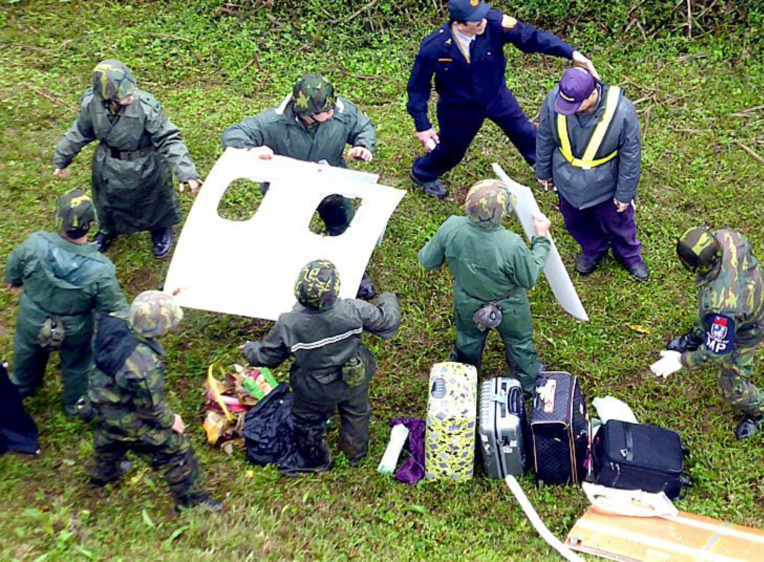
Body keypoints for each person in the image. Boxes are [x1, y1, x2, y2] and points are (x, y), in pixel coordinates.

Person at [406, 0, 598, 199]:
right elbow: (418, 87)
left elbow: (532, 38)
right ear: (458, 24)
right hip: (459, 108)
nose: (483, 23)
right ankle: (422, 173)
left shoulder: (495, 23)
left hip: (496, 96)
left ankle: (548, 170)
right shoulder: (435, 47)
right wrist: (422, 124)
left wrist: (572, 54)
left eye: (483, 16)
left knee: (525, 133)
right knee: (452, 149)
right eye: (476, 21)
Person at [222, 73, 379, 298]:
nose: (331, 113)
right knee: (284, 235)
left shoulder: (340, 112)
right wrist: (251, 150)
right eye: (325, 112)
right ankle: (287, 275)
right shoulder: (273, 123)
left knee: (343, 227)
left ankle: (351, 270)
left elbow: (363, 126)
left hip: (331, 183)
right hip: (287, 189)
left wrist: (364, 145)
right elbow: (234, 133)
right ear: (306, 113)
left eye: (332, 107)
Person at [242, 260, 400, 472]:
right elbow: (388, 323)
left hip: (312, 387)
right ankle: (354, 455)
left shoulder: (288, 323)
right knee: (356, 413)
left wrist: (249, 349)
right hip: (352, 377)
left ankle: (315, 459)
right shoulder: (354, 309)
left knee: (306, 420)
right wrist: (388, 299)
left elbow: (268, 356)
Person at [52, 60, 203, 258]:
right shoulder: (92, 104)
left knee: (154, 201)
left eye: (130, 92)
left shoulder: (145, 105)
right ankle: (108, 229)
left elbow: (168, 138)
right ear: (106, 95)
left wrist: (186, 172)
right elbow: (80, 132)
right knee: (108, 202)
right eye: (122, 96)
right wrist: (61, 158)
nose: (130, 98)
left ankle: (160, 230)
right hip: (109, 165)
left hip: (146, 164)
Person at [89, 291, 220, 511]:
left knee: (108, 436)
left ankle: (103, 474)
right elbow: (150, 409)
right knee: (178, 449)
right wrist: (171, 421)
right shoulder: (143, 364)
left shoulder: (114, 319)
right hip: (123, 414)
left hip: (99, 399)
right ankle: (193, 502)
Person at [418, 180, 550, 395]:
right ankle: (526, 384)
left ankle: (462, 381)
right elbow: (529, 278)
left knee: (468, 341)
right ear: (501, 213)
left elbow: (427, 261)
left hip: (468, 300)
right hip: (510, 306)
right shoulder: (511, 243)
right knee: (519, 343)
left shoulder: (451, 226)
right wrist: (541, 239)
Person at [5, 189, 127, 418]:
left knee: (26, 351)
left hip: (32, 318)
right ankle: (75, 405)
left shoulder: (34, 244)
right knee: (78, 364)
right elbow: (114, 307)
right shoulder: (100, 269)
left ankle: (22, 386)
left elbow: (14, 264)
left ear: (59, 218)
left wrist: (14, 281)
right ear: (90, 224)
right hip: (74, 329)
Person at [652, 227, 764, 440]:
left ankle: (759, 410)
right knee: (707, 319)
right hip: (751, 296)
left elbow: (716, 351)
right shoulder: (728, 237)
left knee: (730, 384)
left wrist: (683, 360)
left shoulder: (722, 308)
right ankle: (697, 335)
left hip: (749, 328)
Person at [536, 67, 647, 281]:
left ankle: (629, 256)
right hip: (566, 180)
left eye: (576, 105)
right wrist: (543, 170)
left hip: (606, 184)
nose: (570, 110)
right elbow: (545, 135)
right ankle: (593, 248)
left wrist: (624, 194)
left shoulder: (623, 112)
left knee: (619, 222)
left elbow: (630, 155)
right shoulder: (554, 101)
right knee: (574, 220)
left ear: (593, 94)